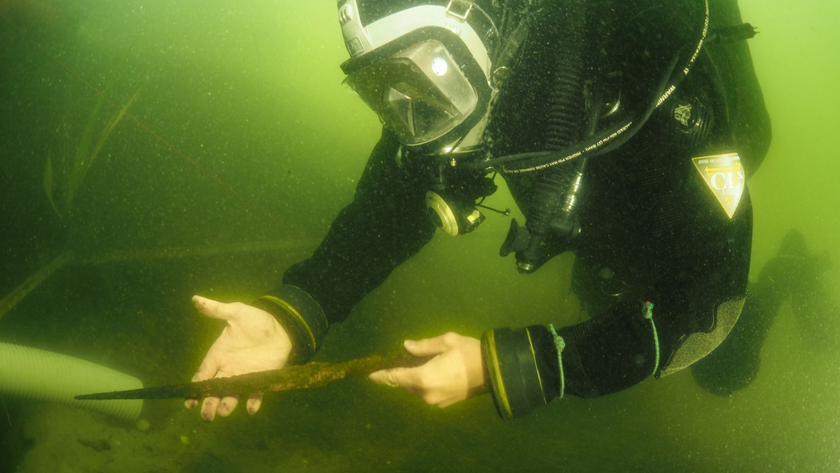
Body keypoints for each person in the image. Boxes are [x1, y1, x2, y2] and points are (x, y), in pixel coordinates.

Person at [185, 0, 774, 421]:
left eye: (422, 77)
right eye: (382, 85)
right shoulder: (448, 93)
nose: (416, 121)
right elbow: (389, 209)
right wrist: (295, 312)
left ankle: (788, 276)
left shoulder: (650, 77)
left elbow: (709, 302)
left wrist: (511, 367)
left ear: (481, 35)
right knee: (603, 299)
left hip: (670, 182)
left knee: (720, 373)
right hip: (589, 207)